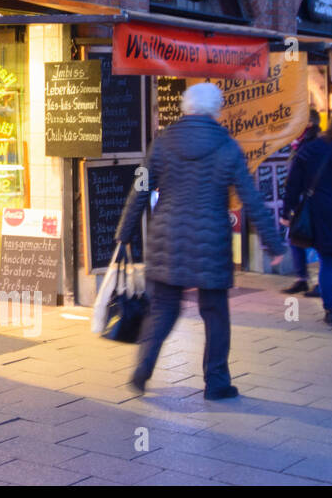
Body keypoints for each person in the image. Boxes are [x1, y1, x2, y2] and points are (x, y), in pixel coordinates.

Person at [115, 82, 285, 400]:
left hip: (168, 237)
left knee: (164, 308)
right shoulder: (227, 146)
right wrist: (274, 244)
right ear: (215, 110)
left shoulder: (162, 142)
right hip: (212, 241)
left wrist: (124, 232)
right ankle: (217, 382)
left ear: (185, 108)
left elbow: (141, 188)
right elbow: (251, 197)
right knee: (215, 312)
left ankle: (143, 369)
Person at [283, 114, 332, 326]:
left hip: (323, 212)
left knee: (329, 263)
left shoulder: (314, 148)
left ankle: (331, 312)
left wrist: (287, 210)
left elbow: (293, 183)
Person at [280, 108, 321, 296]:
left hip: (307, 201)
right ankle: (306, 280)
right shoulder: (306, 144)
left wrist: (287, 209)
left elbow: (294, 182)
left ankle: (306, 279)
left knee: (301, 239)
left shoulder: (306, 147)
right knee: (303, 240)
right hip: (316, 200)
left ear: (309, 123)